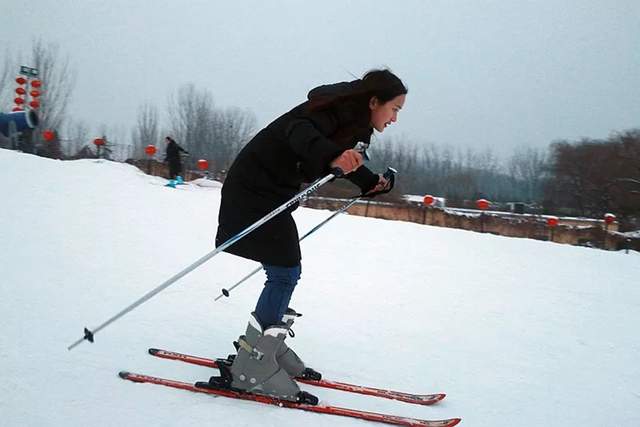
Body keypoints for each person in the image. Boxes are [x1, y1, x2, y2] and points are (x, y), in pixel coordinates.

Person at [206, 69, 407, 404]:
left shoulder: (356, 123)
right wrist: (332, 156)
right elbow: (298, 131)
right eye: (395, 109)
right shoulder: (336, 109)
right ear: (374, 101)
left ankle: (265, 347)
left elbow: (342, 159)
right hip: (254, 189)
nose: (395, 118)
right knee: (286, 270)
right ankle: (254, 361)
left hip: (269, 190)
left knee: (283, 270)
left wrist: (369, 182)